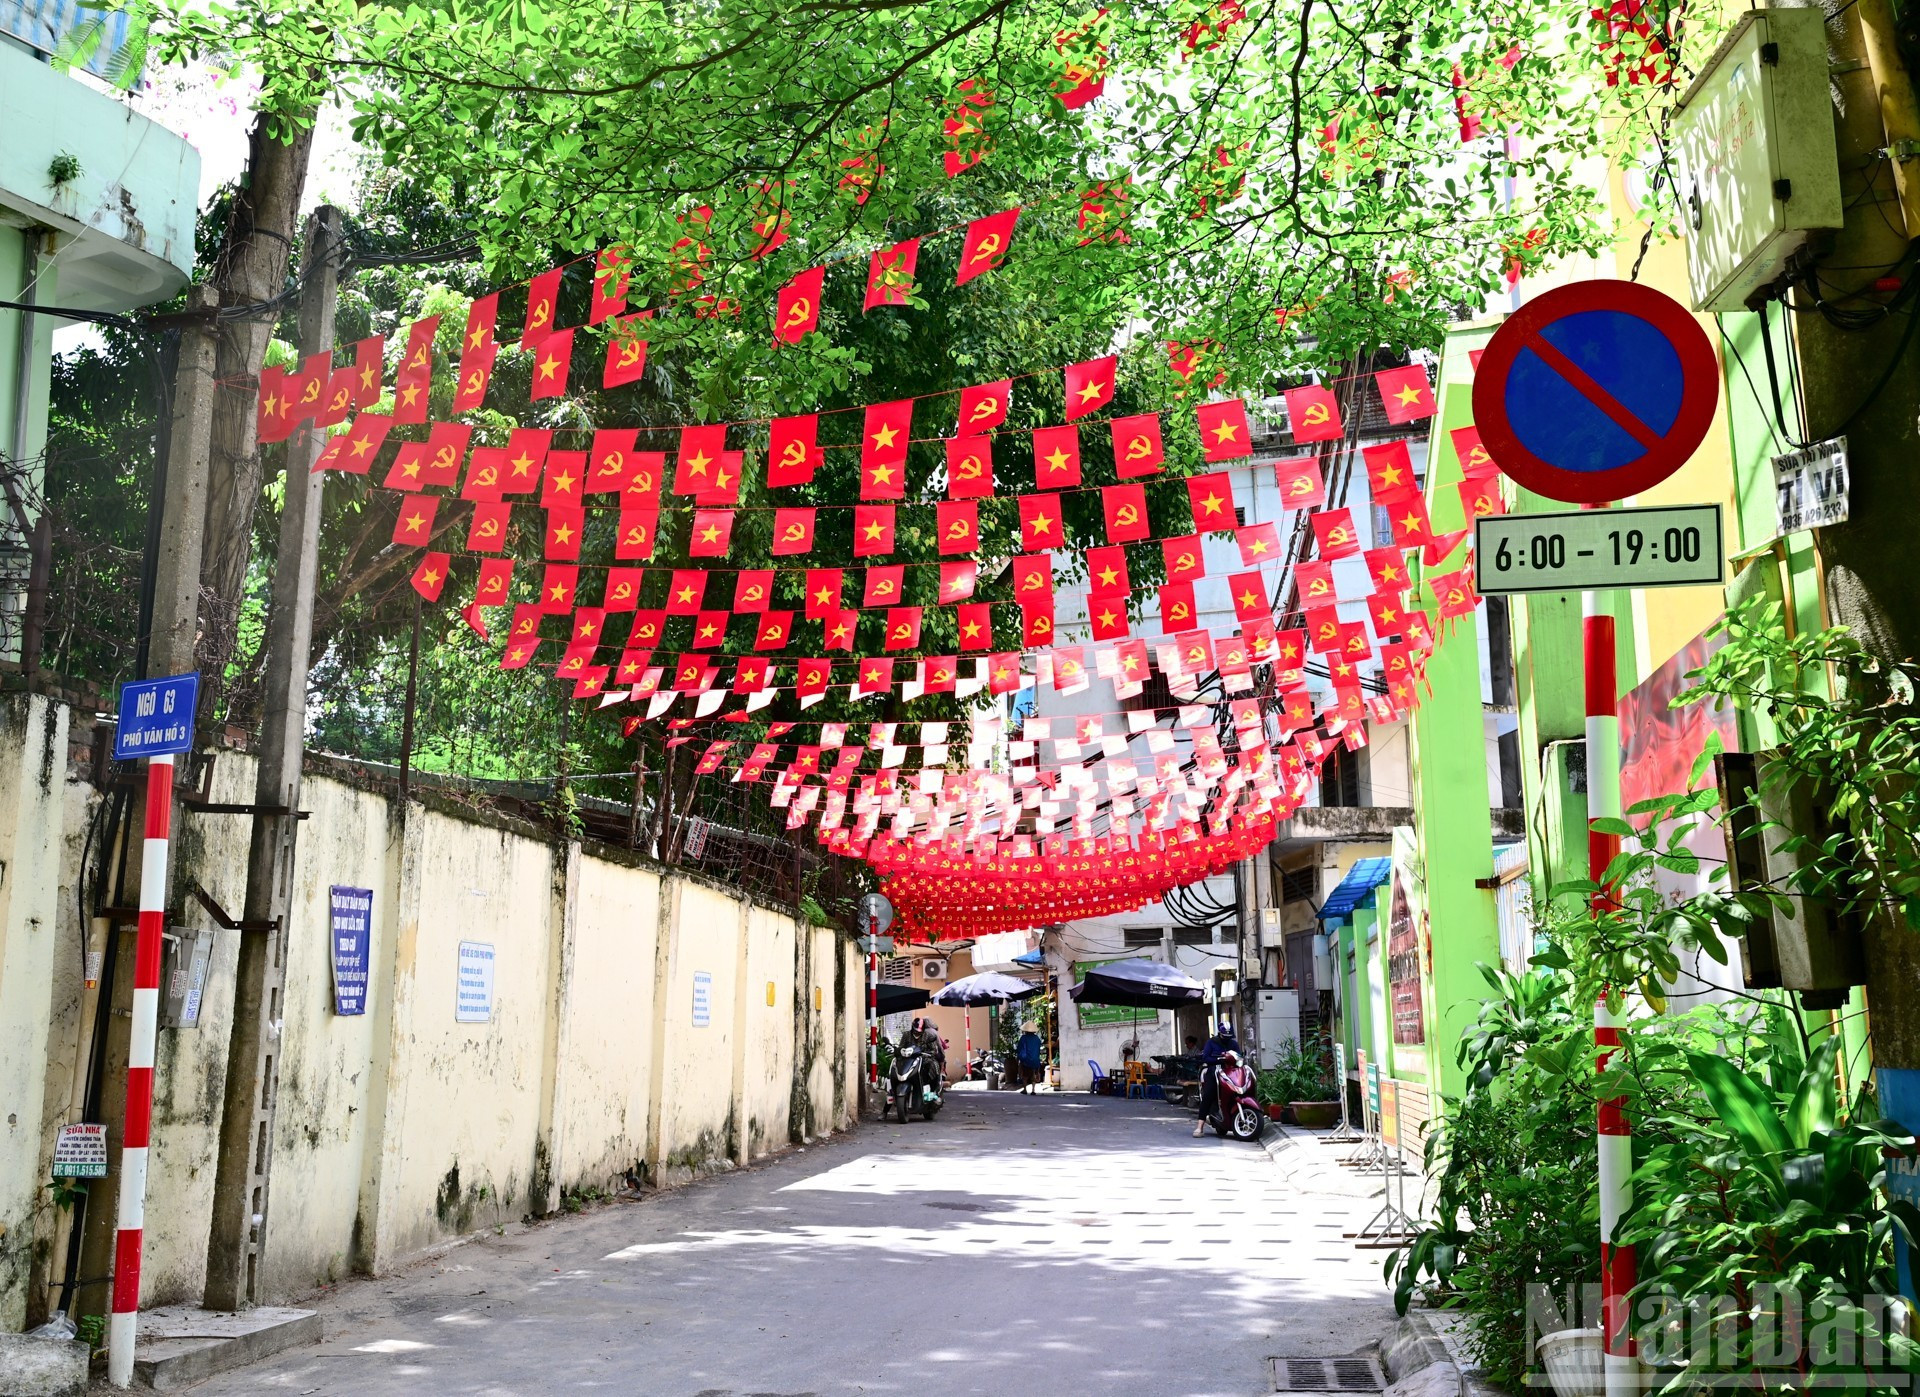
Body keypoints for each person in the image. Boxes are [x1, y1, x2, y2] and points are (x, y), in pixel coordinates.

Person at [1194, 1018, 1240, 1137]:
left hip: (1230, 1072)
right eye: (1225, 1036)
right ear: (1220, 1034)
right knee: (1208, 1095)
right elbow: (1206, 1058)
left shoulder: (1233, 1044)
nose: (1227, 1038)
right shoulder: (1212, 1042)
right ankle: (1200, 1127)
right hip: (1214, 1072)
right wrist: (1218, 1059)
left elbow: (1239, 1056)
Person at [1016, 1023, 1044, 1093]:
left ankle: (1025, 1089)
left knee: (1025, 1075)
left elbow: (1019, 1048)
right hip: (1035, 1060)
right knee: (1033, 1074)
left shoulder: (1023, 1038)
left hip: (1026, 1060)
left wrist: (1019, 1057)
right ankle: (1033, 1090)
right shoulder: (1037, 1038)